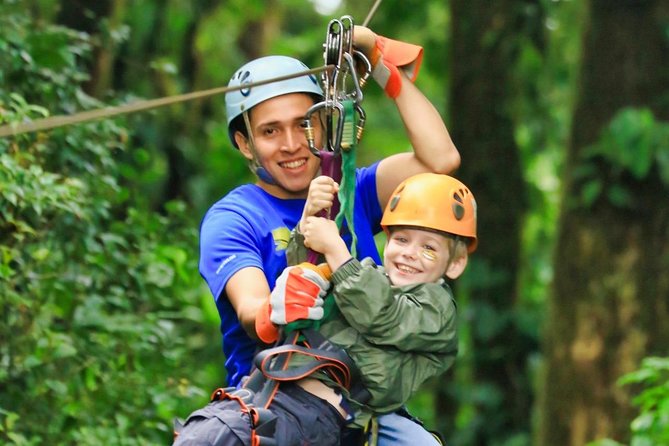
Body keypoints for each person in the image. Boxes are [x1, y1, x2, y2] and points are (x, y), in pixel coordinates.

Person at [197, 25, 460, 445]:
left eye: (303, 124)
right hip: (279, 403)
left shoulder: (355, 189)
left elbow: (440, 158)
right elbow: (250, 308)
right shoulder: (234, 217)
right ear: (245, 144)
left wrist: (378, 62)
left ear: (323, 122)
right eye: (269, 131)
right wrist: (274, 309)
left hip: (365, 407)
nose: (290, 144)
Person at [177, 173, 477, 446]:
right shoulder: (370, 276)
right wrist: (308, 226)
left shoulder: (436, 309)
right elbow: (310, 272)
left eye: (429, 248)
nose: (409, 254)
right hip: (288, 389)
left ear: (455, 263)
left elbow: (383, 316)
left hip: (347, 412)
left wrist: (336, 249)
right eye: (401, 239)